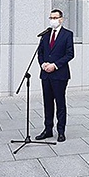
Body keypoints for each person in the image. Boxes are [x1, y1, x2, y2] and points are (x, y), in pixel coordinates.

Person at [36, 9, 74, 142]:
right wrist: (43, 64)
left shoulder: (67, 34)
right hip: (45, 74)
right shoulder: (45, 35)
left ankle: (61, 131)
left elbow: (70, 54)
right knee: (47, 103)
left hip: (60, 75)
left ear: (61, 19)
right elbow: (40, 52)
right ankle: (47, 129)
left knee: (60, 103)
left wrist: (55, 65)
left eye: (55, 17)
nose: (53, 20)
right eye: (51, 17)